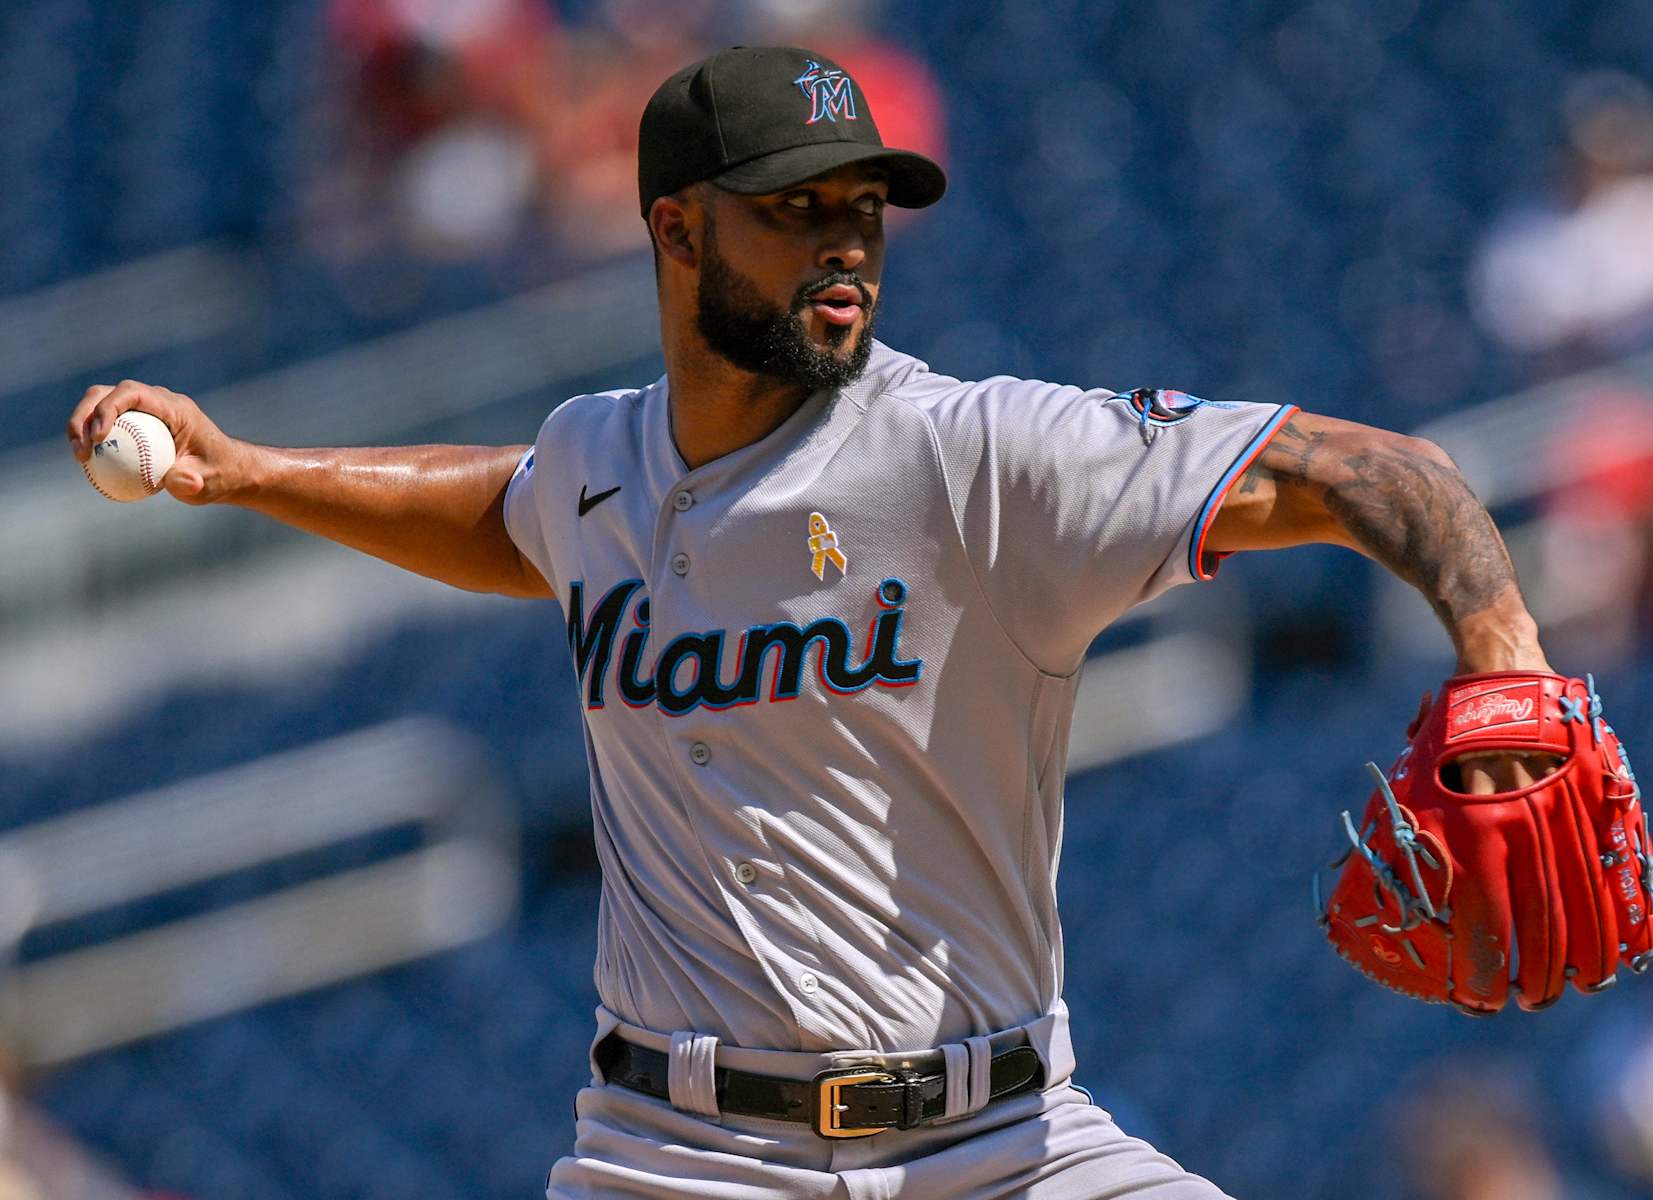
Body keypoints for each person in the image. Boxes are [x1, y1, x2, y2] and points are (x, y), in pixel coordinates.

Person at [66, 45, 1555, 1200]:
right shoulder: (599, 461)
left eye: (861, 208)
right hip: (676, 1151)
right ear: (673, 226)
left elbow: (1378, 470)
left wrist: (1504, 659)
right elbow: (506, 510)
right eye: (794, 210)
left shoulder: (976, 456)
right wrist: (249, 471)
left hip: (1004, 1143)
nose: (845, 244)